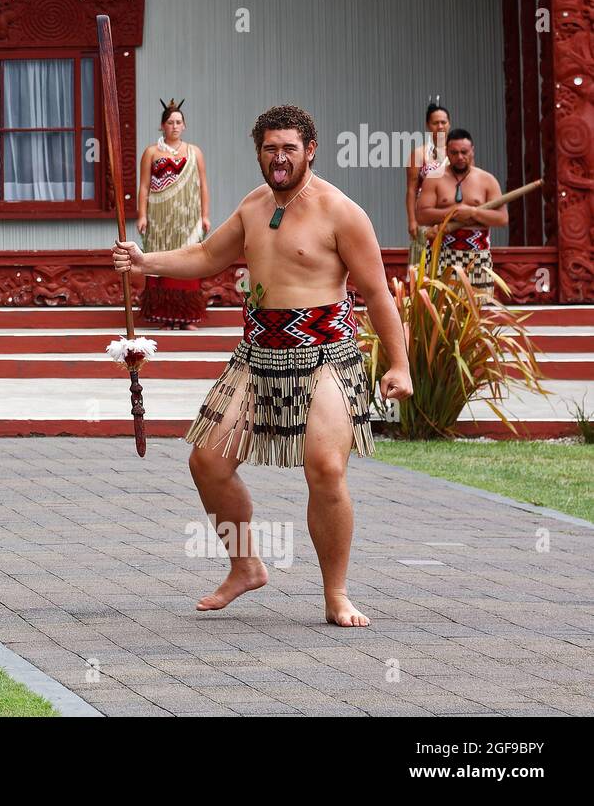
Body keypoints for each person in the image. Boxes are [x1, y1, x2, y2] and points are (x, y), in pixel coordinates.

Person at [113, 104, 413, 627]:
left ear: (310, 151)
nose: (279, 158)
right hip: (257, 354)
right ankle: (246, 565)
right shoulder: (254, 206)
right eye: (270, 149)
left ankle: (336, 593)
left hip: (325, 354)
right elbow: (208, 256)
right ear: (259, 152)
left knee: (324, 469)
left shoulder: (341, 212)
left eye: (289, 149)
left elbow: (377, 293)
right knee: (207, 461)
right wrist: (146, 262)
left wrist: (399, 364)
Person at [135, 98, 211, 329]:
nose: (175, 126)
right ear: (162, 126)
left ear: (184, 126)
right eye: (170, 122)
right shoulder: (151, 152)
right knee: (162, 262)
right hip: (160, 218)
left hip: (187, 217)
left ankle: (187, 317)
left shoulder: (194, 152)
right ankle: (165, 317)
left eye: (179, 122)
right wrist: (142, 215)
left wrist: (205, 215)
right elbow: (144, 186)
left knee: (188, 260)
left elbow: (203, 185)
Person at [415, 127, 507, 293]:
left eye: (464, 152)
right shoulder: (434, 178)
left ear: (472, 151)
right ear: (447, 153)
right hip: (441, 254)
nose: (460, 157)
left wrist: (473, 212)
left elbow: (501, 218)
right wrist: (454, 211)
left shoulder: (487, 180)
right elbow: (421, 215)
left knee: (477, 309)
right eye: (454, 152)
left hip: (478, 256)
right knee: (441, 309)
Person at [404, 98, 450, 267]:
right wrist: (412, 221)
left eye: (443, 122)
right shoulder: (419, 154)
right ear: (427, 125)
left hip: (453, 221)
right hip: (426, 221)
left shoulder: (459, 152)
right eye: (435, 123)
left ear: (449, 124)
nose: (440, 126)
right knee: (423, 269)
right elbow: (411, 190)